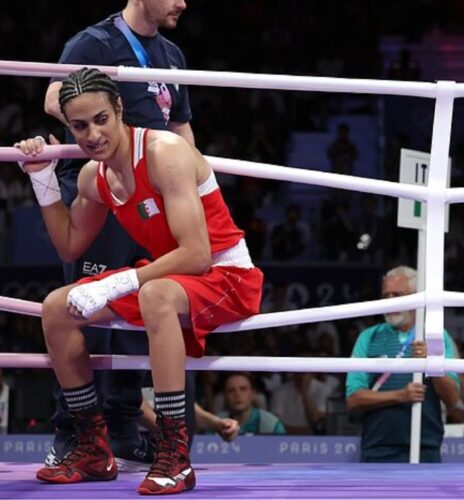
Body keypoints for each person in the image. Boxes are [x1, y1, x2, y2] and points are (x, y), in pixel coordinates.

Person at [15, 67, 263, 494]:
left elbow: (198, 253)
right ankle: (92, 446)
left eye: (100, 120)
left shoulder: (164, 152)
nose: (92, 135)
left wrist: (119, 282)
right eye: (79, 126)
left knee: (154, 293)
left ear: (120, 110)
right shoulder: (95, 177)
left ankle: (174, 454)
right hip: (167, 277)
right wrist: (42, 179)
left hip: (225, 274)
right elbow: (70, 246)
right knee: (57, 308)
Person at [43, 0, 195, 470]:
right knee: (83, 307)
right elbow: (56, 98)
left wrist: (193, 184)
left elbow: (180, 126)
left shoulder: (171, 54)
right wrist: (101, 126)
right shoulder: (94, 42)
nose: (182, 3)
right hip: (104, 190)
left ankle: (126, 429)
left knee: (141, 312)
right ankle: (75, 433)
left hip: (153, 192)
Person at [346, 266, 460, 462]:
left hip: (426, 447)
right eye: (386, 295)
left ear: (416, 298)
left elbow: (452, 398)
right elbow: (353, 399)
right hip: (377, 449)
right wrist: (400, 395)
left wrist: (430, 362)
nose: (391, 301)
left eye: (397, 295)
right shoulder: (369, 337)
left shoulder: (436, 336)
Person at [219, 373, 286, 435]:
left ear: (253, 394)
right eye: (231, 390)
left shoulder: (272, 425)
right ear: (225, 396)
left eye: (243, 389)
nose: (237, 394)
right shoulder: (216, 423)